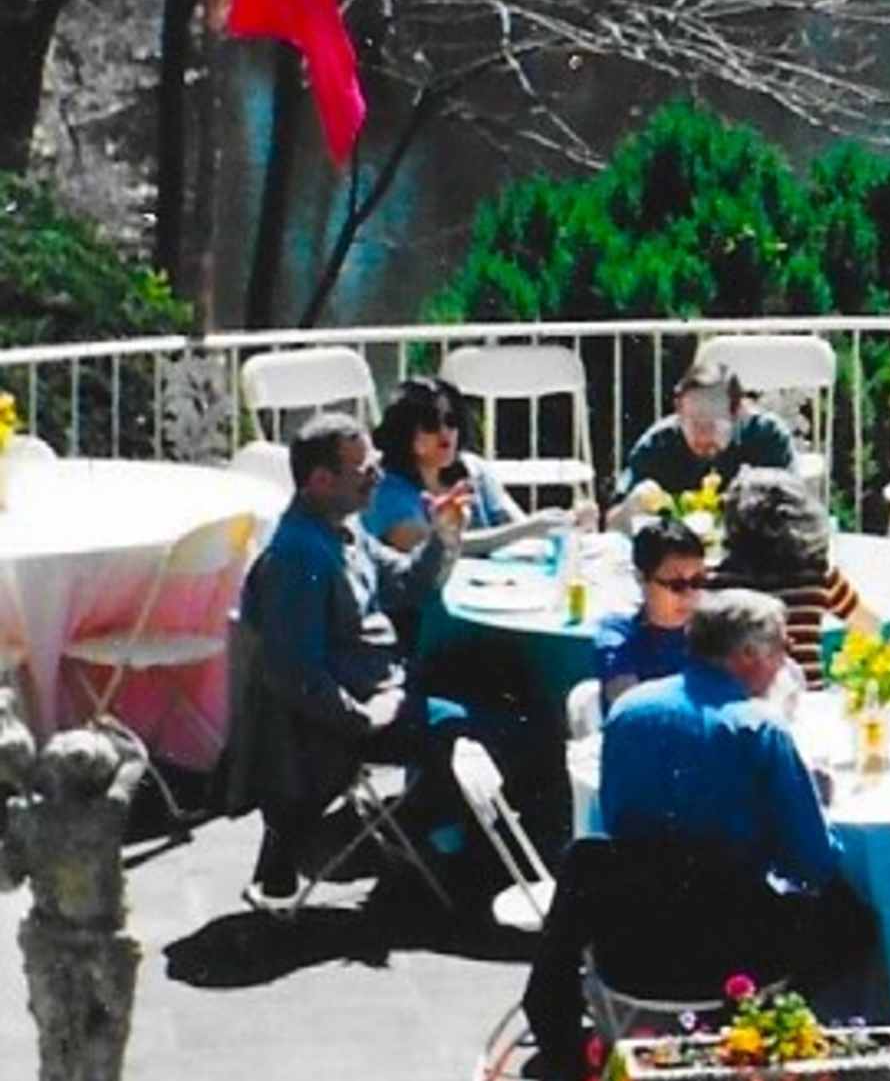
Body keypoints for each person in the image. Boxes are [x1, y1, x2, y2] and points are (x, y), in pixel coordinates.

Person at [520, 590, 872, 1081]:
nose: (784, 663)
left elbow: (618, 819)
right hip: (723, 946)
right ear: (748, 655)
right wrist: (808, 801)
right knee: (856, 921)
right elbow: (812, 862)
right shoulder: (759, 727)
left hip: (630, 940)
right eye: (780, 649)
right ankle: (766, 1043)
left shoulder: (631, 710)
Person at [225, 417, 477, 910]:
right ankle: (431, 854)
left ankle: (400, 838)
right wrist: (366, 718)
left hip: (383, 685)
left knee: (477, 671)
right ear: (321, 481)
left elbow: (408, 583)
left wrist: (443, 537)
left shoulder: (343, 528)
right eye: (364, 470)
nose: (378, 478)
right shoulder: (300, 557)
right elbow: (294, 675)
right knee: (468, 726)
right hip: (342, 720)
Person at [365, 380, 555, 556]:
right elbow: (429, 549)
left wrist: (562, 524)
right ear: (403, 431)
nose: (444, 432)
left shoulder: (475, 470)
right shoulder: (383, 490)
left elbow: (519, 527)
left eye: (451, 420)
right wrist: (528, 528)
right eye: (430, 424)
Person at [712, 470, 869, 684]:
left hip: (741, 704)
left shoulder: (718, 582)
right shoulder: (818, 576)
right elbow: (867, 625)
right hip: (806, 700)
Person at [614, 363, 796, 514]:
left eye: (711, 424)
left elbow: (793, 508)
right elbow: (616, 515)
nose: (701, 436)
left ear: (737, 413)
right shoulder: (657, 445)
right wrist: (631, 506)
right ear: (679, 411)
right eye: (693, 423)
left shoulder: (768, 437)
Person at [592, 516, 712, 710]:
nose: (689, 595)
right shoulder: (618, 637)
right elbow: (630, 708)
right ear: (641, 578)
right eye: (677, 585)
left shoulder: (713, 634)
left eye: (697, 583)